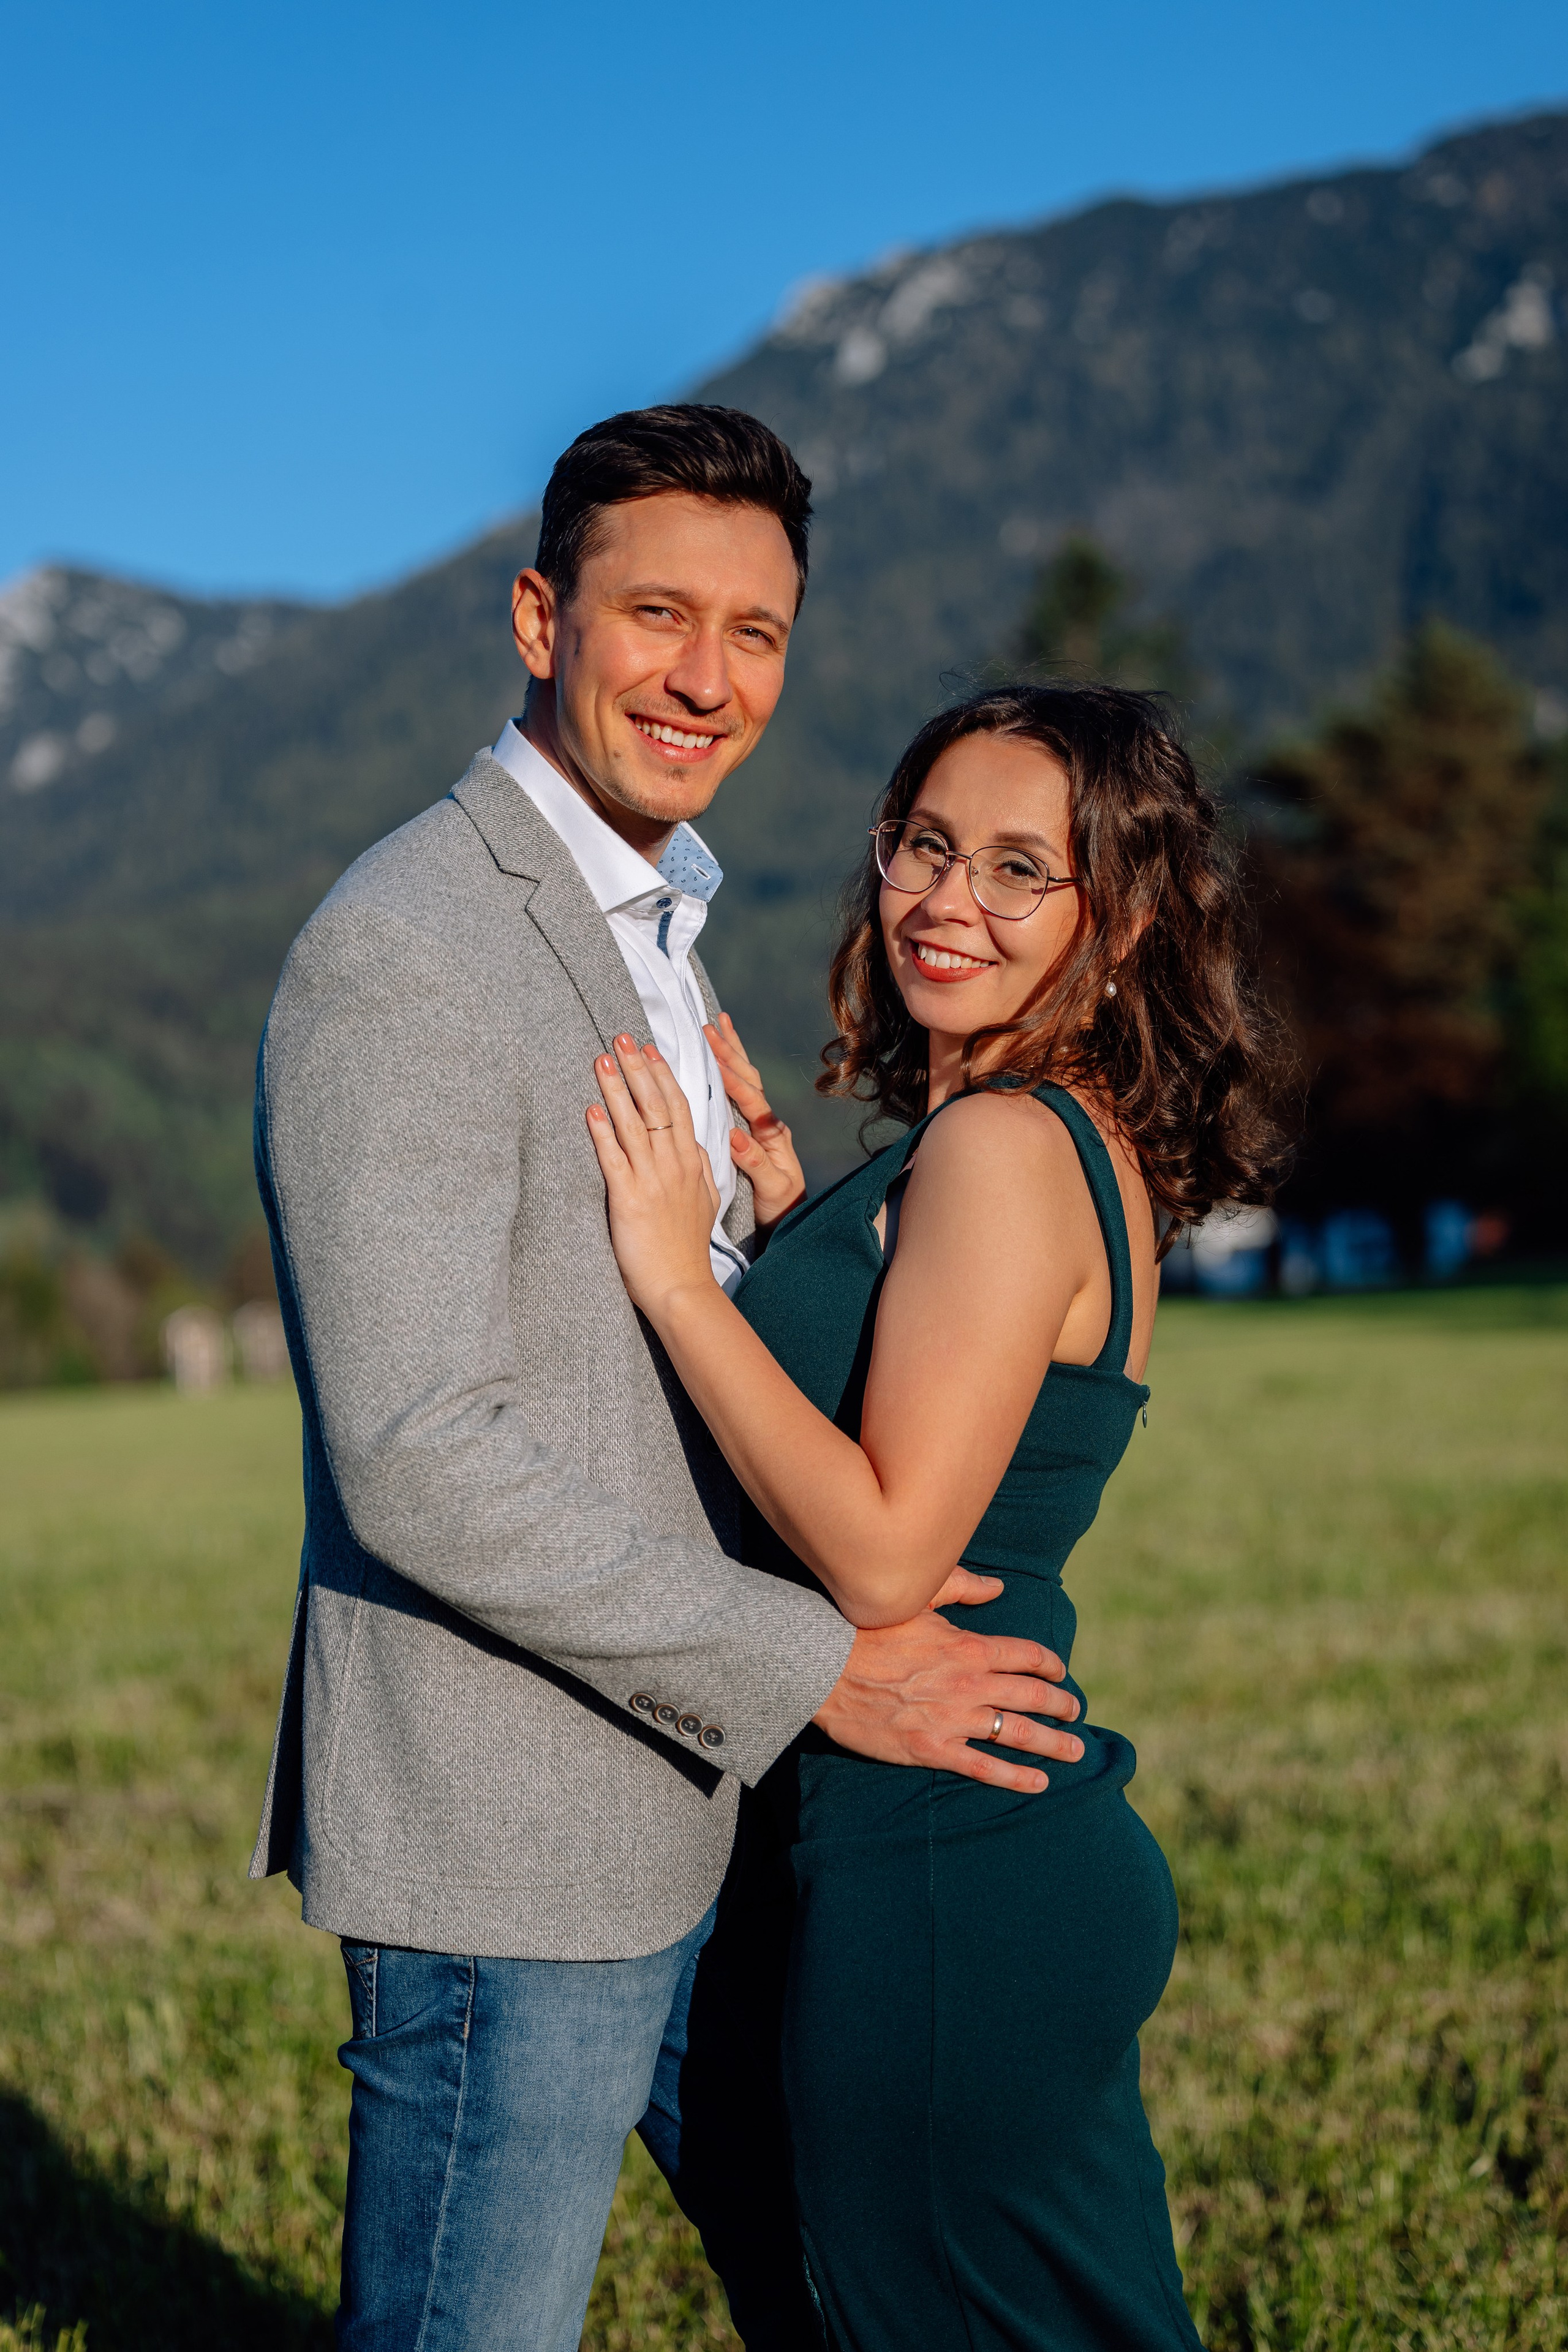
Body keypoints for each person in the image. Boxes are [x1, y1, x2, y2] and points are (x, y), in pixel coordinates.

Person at [248, 407, 1084, 2352]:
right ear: (542, 617)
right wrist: (819, 1667)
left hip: (707, 1794)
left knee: (855, 2295)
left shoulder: (655, 926)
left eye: (760, 633)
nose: (709, 679)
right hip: (512, 1833)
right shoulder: (407, 950)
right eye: (656, 616)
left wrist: (771, 1242)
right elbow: (419, 1450)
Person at [587, 682, 1289, 2351]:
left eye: (1017, 869)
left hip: (936, 1868)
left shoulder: (997, 1147)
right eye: (923, 844)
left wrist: (680, 1286)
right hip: (992, 1851)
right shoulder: (1046, 1146)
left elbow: (891, 1549)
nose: (946, 899)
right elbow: (936, 1393)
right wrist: (799, 1232)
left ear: (1113, 926)